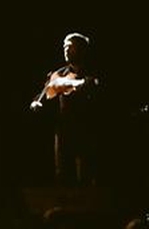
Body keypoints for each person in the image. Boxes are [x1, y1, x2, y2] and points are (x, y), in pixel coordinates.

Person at [30, 32, 102, 186]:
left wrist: (72, 84)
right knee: (63, 172)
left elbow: (93, 87)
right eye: (64, 47)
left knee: (87, 171)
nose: (66, 50)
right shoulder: (58, 73)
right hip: (64, 129)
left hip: (87, 127)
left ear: (81, 49)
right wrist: (36, 103)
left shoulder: (93, 71)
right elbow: (43, 95)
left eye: (70, 46)